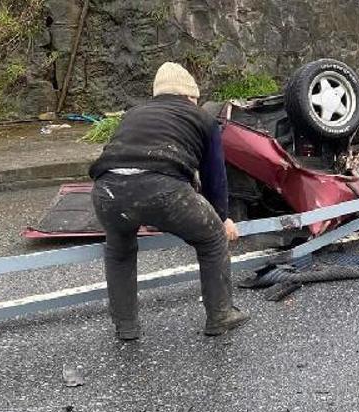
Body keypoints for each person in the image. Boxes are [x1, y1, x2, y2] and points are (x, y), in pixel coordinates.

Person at [89, 62, 249, 339]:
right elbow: (215, 177)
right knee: (211, 239)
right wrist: (221, 217)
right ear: (190, 96)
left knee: (119, 252)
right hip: (161, 188)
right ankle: (220, 314)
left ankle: (126, 326)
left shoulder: (134, 113)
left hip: (107, 190)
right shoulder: (202, 118)